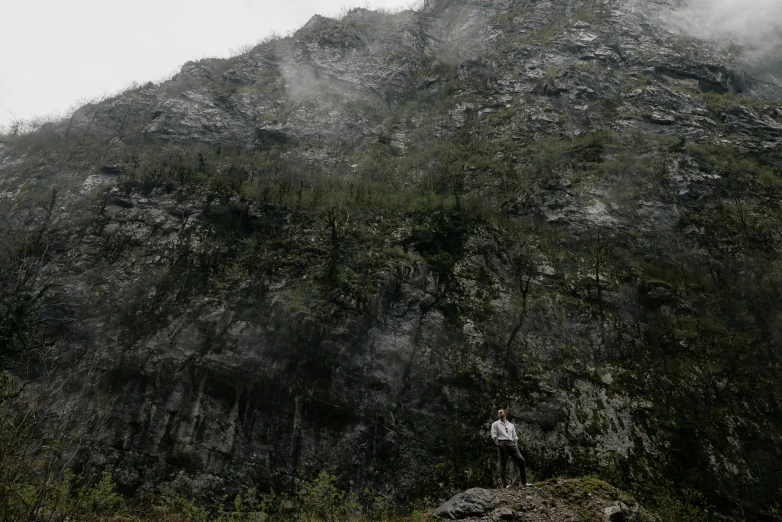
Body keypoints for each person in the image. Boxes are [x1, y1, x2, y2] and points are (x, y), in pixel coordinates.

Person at [491, 409, 531, 489]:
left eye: (500, 412)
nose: (499, 414)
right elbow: (494, 435)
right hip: (502, 443)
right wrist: (498, 444)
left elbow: (515, 436)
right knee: (503, 464)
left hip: (511, 443)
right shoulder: (495, 424)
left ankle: (524, 483)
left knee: (521, 460)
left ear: (505, 413)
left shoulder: (511, 425)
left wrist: (515, 445)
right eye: (498, 413)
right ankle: (505, 484)